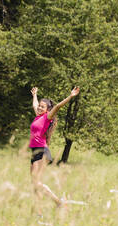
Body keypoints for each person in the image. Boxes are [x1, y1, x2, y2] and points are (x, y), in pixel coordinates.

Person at [30, 86, 80, 215]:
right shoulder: (38, 116)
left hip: (42, 151)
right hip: (35, 151)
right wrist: (35, 95)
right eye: (40, 106)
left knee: (37, 182)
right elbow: (35, 105)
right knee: (35, 183)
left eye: (43, 107)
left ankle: (58, 202)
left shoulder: (47, 117)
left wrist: (70, 96)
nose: (40, 108)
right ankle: (39, 212)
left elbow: (57, 106)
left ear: (47, 110)